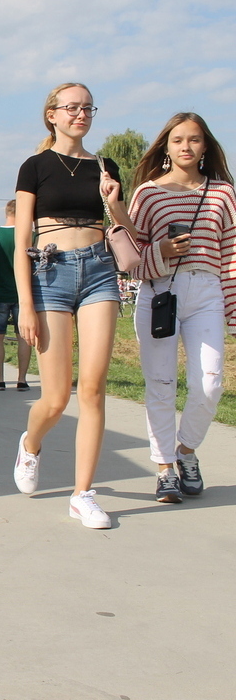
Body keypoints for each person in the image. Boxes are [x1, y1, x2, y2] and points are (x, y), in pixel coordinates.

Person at [11, 82, 137, 530]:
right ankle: (31, 444)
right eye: (72, 108)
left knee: (93, 387)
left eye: (88, 108)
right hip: (50, 273)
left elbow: (125, 227)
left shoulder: (104, 164)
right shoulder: (35, 167)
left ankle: (83, 493)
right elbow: (22, 240)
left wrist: (114, 200)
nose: (81, 114)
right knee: (57, 397)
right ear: (52, 115)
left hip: (100, 270)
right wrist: (25, 304)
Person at [129, 112, 236, 503]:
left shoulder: (223, 192)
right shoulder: (148, 193)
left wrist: (233, 307)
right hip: (159, 292)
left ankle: (185, 451)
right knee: (160, 384)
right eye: (178, 140)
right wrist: (162, 250)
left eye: (193, 140)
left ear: (205, 145)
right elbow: (131, 254)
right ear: (166, 146)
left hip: (207, 291)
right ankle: (164, 468)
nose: (185, 147)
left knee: (210, 384)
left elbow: (231, 252)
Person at [0, 200, 33, 390]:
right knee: (24, 337)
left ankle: (0, 378)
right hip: (24, 294)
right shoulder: (30, 235)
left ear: (7, 212)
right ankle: (22, 379)